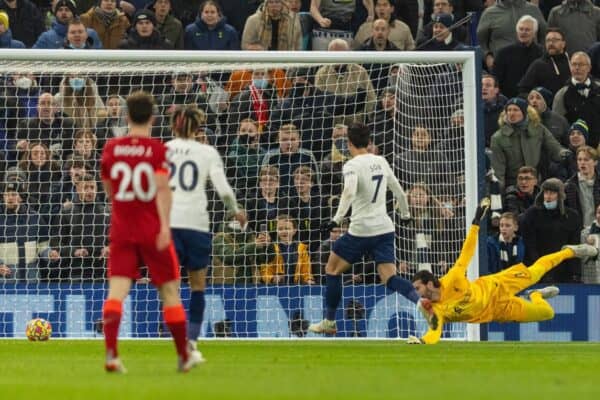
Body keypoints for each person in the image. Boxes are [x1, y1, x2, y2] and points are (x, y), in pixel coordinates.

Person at [100, 91, 200, 373]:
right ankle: (183, 355)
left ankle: (111, 355)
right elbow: (162, 189)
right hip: (152, 229)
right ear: (153, 118)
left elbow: (109, 190)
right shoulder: (157, 150)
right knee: (170, 292)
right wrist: (166, 226)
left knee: (117, 291)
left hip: (122, 229)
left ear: (126, 116)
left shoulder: (111, 148)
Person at [408, 198, 598, 345]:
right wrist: (423, 341)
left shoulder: (453, 278)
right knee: (546, 313)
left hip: (497, 285)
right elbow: (434, 331)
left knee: (537, 271)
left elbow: (467, 251)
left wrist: (475, 223)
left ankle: (570, 251)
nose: (417, 293)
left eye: (418, 288)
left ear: (430, 283)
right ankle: (536, 296)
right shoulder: (435, 309)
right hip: (499, 310)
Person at [308, 122, 420, 335]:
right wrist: (405, 215)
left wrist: (336, 219)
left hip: (360, 230)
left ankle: (329, 322)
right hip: (384, 228)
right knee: (390, 278)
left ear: (348, 143)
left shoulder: (351, 165)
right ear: (369, 142)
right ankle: (420, 302)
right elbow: (399, 191)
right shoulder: (381, 161)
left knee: (332, 269)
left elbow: (349, 192)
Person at [165, 105, 247, 359]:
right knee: (198, 286)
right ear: (197, 127)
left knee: (172, 287)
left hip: (170, 224)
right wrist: (235, 210)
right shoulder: (207, 152)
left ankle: (178, 339)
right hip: (197, 225)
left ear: (174, 125)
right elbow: (222, 188)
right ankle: (191, 342)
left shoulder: (163, 150)